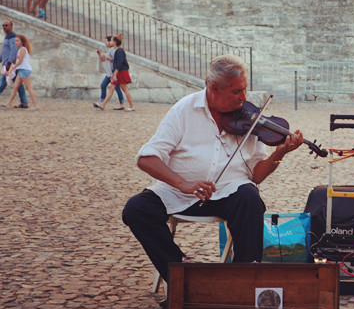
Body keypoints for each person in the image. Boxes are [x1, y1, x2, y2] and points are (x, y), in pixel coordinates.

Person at [122, 54, 304, 291]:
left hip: (230, 192)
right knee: (136, 210)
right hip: (179, 194)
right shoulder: (184, 110)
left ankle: (243, 282)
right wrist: (182, 183)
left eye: (245, 90)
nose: (244, 98)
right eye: (236, 92)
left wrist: (279, 153)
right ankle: (181, 278)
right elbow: (147, 158)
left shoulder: (250, 120)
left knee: (251, 199)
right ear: (214, 88)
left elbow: (257, 175)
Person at [93, 35, 135, 111]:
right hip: (118, 72)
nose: (110, 42)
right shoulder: (117, 51)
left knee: (124, 89)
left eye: (111, 40)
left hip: (121, 72)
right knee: (111, 88)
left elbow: (119, 64)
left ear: (115, 42)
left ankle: (132, 106)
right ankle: (102, 104)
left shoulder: (119, 51)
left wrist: (115, 74)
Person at [4, 34, 40, 111]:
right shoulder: (20, 50)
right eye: (15, 41)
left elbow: (20, 61)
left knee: (28, 87)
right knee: (15, 87)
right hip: (21, 70)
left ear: (22, 41)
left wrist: (11, 69)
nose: (16, 42)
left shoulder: (23, 49)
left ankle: (35, 105)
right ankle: (8, 104)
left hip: (24, 70)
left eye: (17, 41)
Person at [96, 36, 125, 110]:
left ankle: (103, 103)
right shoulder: (109, 50)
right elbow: (103, 60)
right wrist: (100, 55)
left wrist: (105, 56)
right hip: (109, 73)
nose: (106, 43)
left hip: (113, 73)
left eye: (107, 41)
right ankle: (102, 103)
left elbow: (114, 60)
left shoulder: (113, 50)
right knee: (105, 86)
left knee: (115, 88)